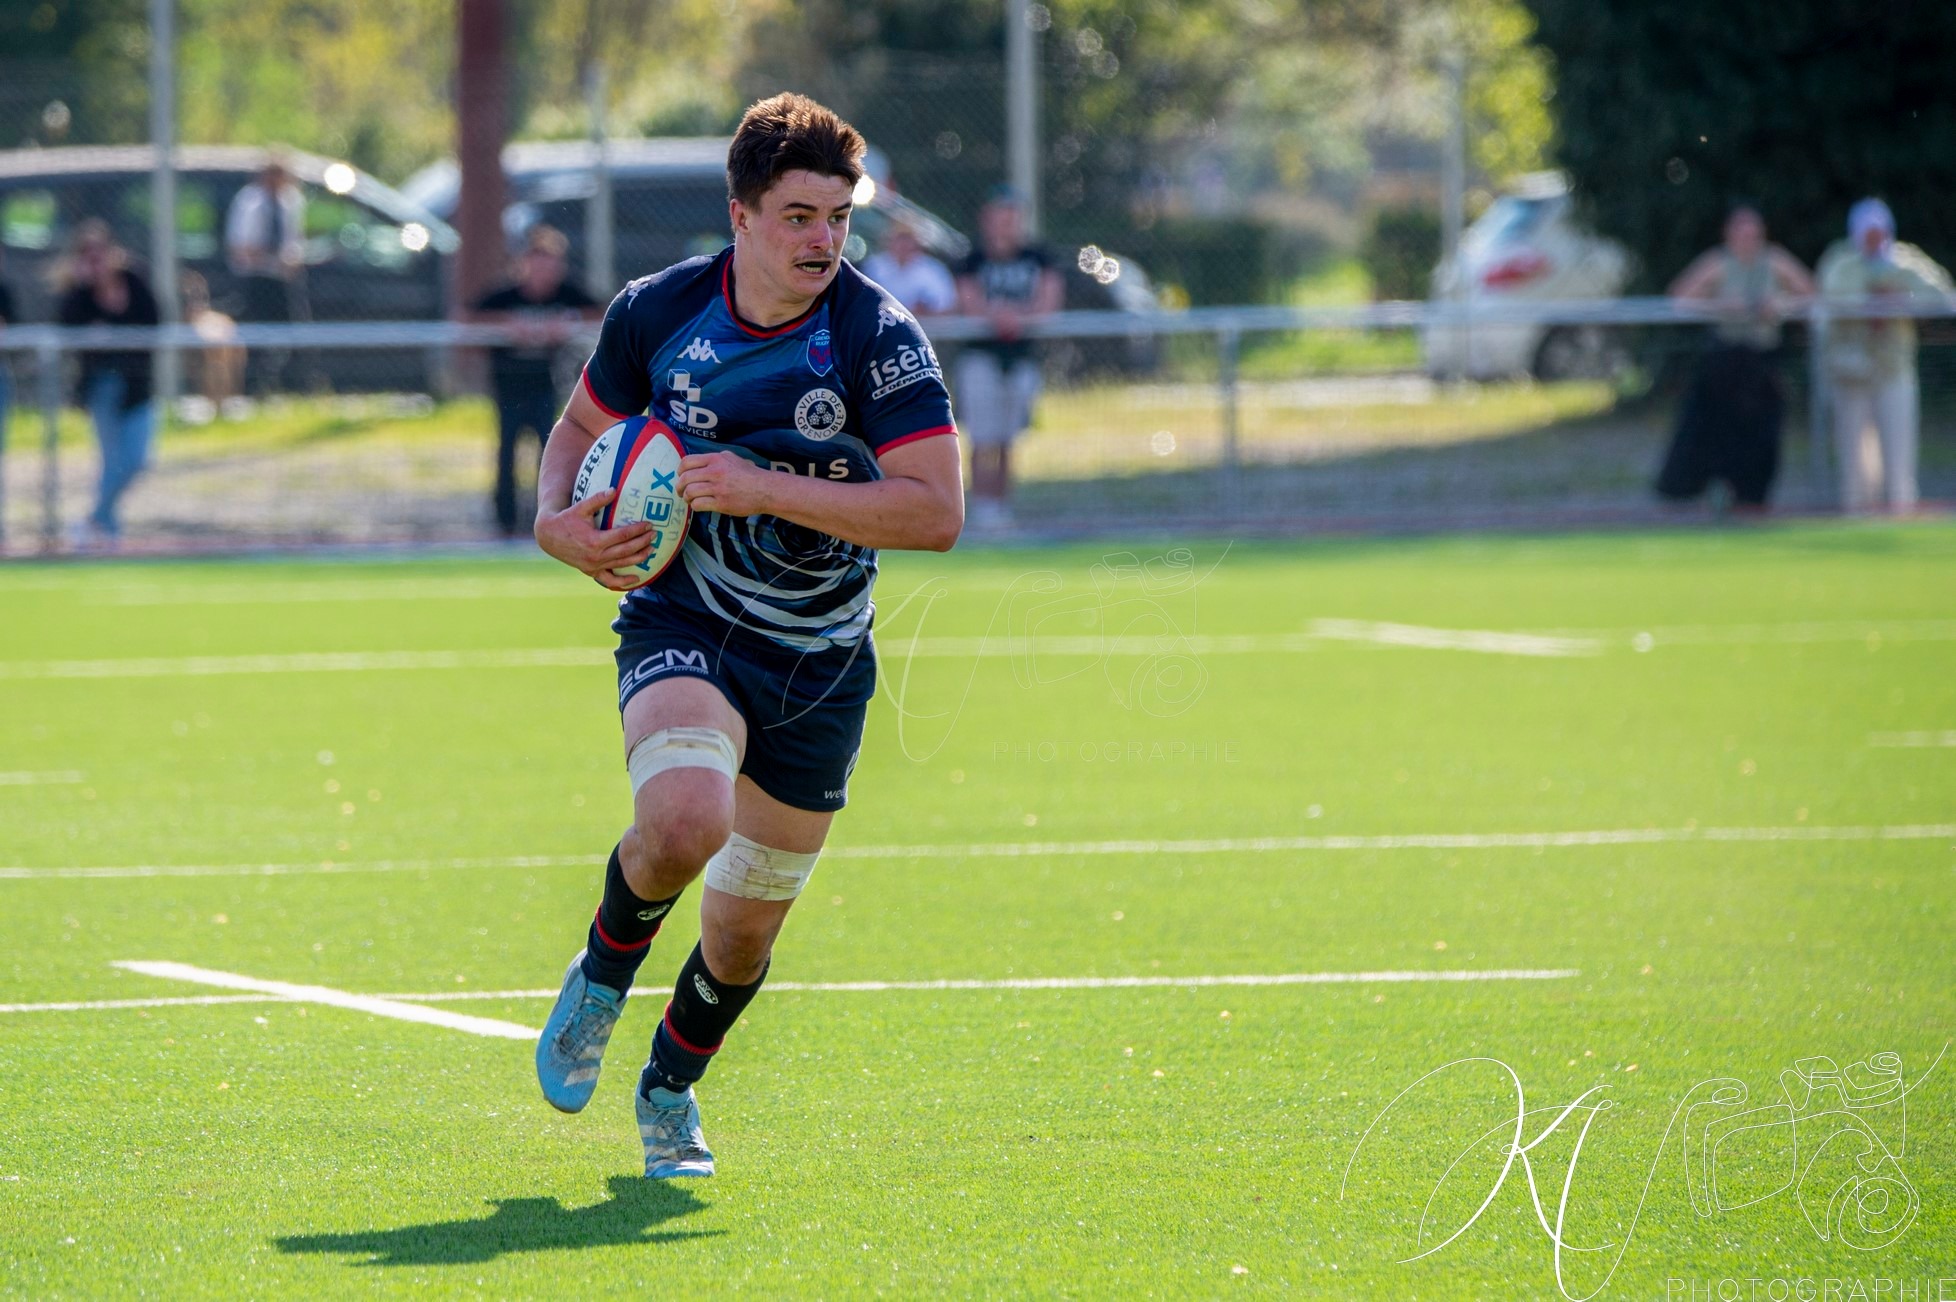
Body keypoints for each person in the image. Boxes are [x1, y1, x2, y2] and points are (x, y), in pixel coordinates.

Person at [528, 93, 962, 1180]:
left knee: (739, 938)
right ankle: (598, 980)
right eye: (801, 216)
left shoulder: (875, 335)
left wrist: (764, 486)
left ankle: (669, 1090)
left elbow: (936, 512)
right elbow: (583, 426)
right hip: (689, 616)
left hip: (819, 664)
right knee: (683, 819)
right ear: (742, 216)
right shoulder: (658, 311)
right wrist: (553, 523)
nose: (825, 239)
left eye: (840, 218)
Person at [1655, 204, 1814, 511]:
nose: (1747, 239)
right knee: (1717, 435)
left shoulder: (1775, 260)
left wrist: (1780, 304)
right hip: (1726, 363)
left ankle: (1753, 499)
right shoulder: (1718, 263)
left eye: (1753, 233)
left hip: (1763, 362)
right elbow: (1678, 298)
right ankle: (1716, 496)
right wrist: (1719, 305)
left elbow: (1810, 294)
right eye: (1740, 232)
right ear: (1728, 234)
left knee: (1762, 437)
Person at [1817, 199, 1952, 514]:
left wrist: (1902, 297)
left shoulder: (1905, 261)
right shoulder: (1842, 260)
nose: (1874, 239)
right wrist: (1871, 295)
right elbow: (1831, 297)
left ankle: (1901, 518)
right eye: (1868, 232)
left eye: (1879, 232)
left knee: (1899, 457)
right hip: (1852, 371)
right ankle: (1855, 520)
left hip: (1894, 370)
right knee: (1854, 462)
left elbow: (1939, 292)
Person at [471, 224, 602, 537]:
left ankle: (551, 514)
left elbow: (603, 312)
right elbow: (467, 319)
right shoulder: (504, 297)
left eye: (551, 262)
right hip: (509, 389)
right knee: (507, 452)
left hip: (549, 388)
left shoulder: (567, 294)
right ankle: (506, 521)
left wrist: (564, 325)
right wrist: (509, 326)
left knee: (551, 452)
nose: (544, 270)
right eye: (537, 261)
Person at [954, 188, 1062, 527]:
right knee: (980, 437)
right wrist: (996, 317)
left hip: (1021, 358)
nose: (1005, 225)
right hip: (981, 356)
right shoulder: (971, 259)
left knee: (1006, 438)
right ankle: (980, 507)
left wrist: (1016, 317)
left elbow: (1048, 303)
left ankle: (1001, 506)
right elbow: (969, 303)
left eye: (1011, 217)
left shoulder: (1039, 257)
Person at [57, 219, 161, 546]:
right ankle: (108, 529)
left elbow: (155, 321)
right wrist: (82, 288)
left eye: (100, 252)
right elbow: (66, 329)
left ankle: (94, 519)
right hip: (103, 386)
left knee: (138, 460)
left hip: (138, 385)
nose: (96, 259)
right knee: (113, 462)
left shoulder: (135, 282)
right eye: (88, 254)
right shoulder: (80, 296)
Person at [224, 156, 307, 393]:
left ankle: (290, 384)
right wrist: (270, 257)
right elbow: (240, 247)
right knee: (255, 332)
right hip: (255, 279)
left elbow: (295, 240)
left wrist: (291, 260)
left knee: (291, 331)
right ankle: (252, 386)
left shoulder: (291, 201)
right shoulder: (250, 202)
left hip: (283, 278)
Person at [860, 220, 957, 317]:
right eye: (899, 238)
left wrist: (924, 311)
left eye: (907, 239)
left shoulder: (933, 269)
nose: (903, 244)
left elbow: (947, 307)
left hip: (927, 327)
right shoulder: (875, 266)